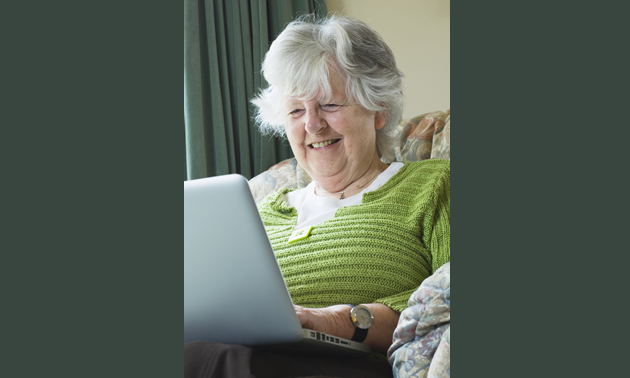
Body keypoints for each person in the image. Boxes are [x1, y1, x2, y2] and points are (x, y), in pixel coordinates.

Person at [184, 14, 450, 378]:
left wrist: (339, 320)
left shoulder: (432, 185)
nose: (312, 124)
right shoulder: (255, 214)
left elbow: (446, 301)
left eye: (329, 105)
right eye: (296, 110)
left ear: (377, 110)